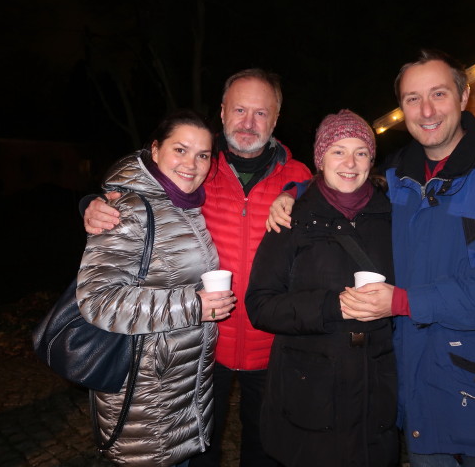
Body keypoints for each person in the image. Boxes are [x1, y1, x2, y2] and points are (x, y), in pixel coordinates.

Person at [267, 50, 475, 466]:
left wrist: (405, 302)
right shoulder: (398, 174)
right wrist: (293, 194)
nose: (427, 110)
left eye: (438, 93)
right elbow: (344, 180)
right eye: (412, 98)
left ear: (464, 95)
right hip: (417, 383)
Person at [82, 69, 312, 467]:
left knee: (267, 449)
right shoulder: (198, 166)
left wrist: (300, 192)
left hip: (272, 344)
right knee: (200, 450)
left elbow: (342, 205)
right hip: (202, 347)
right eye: (239, 109)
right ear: (222, 112)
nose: (248, 122)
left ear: (276, 119)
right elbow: (140, 187)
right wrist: (91, 203)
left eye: (261, 113)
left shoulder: (299, 176)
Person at [76, 110, 236, 467]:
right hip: (145, 398)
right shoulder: (131, 209)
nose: (191, 164)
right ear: (154, 149)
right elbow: (97, 301)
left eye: (203, 155)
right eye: (180, 150)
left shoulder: (184, 205)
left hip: (181, 389)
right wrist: (193, 305)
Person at [245, 109, 398, 466]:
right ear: (320, 159)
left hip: (376, 385)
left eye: (361, 151)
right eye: (338, 151)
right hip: (308, 390)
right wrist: (332, 307)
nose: (350, 162)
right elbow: (260, 304)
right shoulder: (291, 218)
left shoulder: (392, 216)